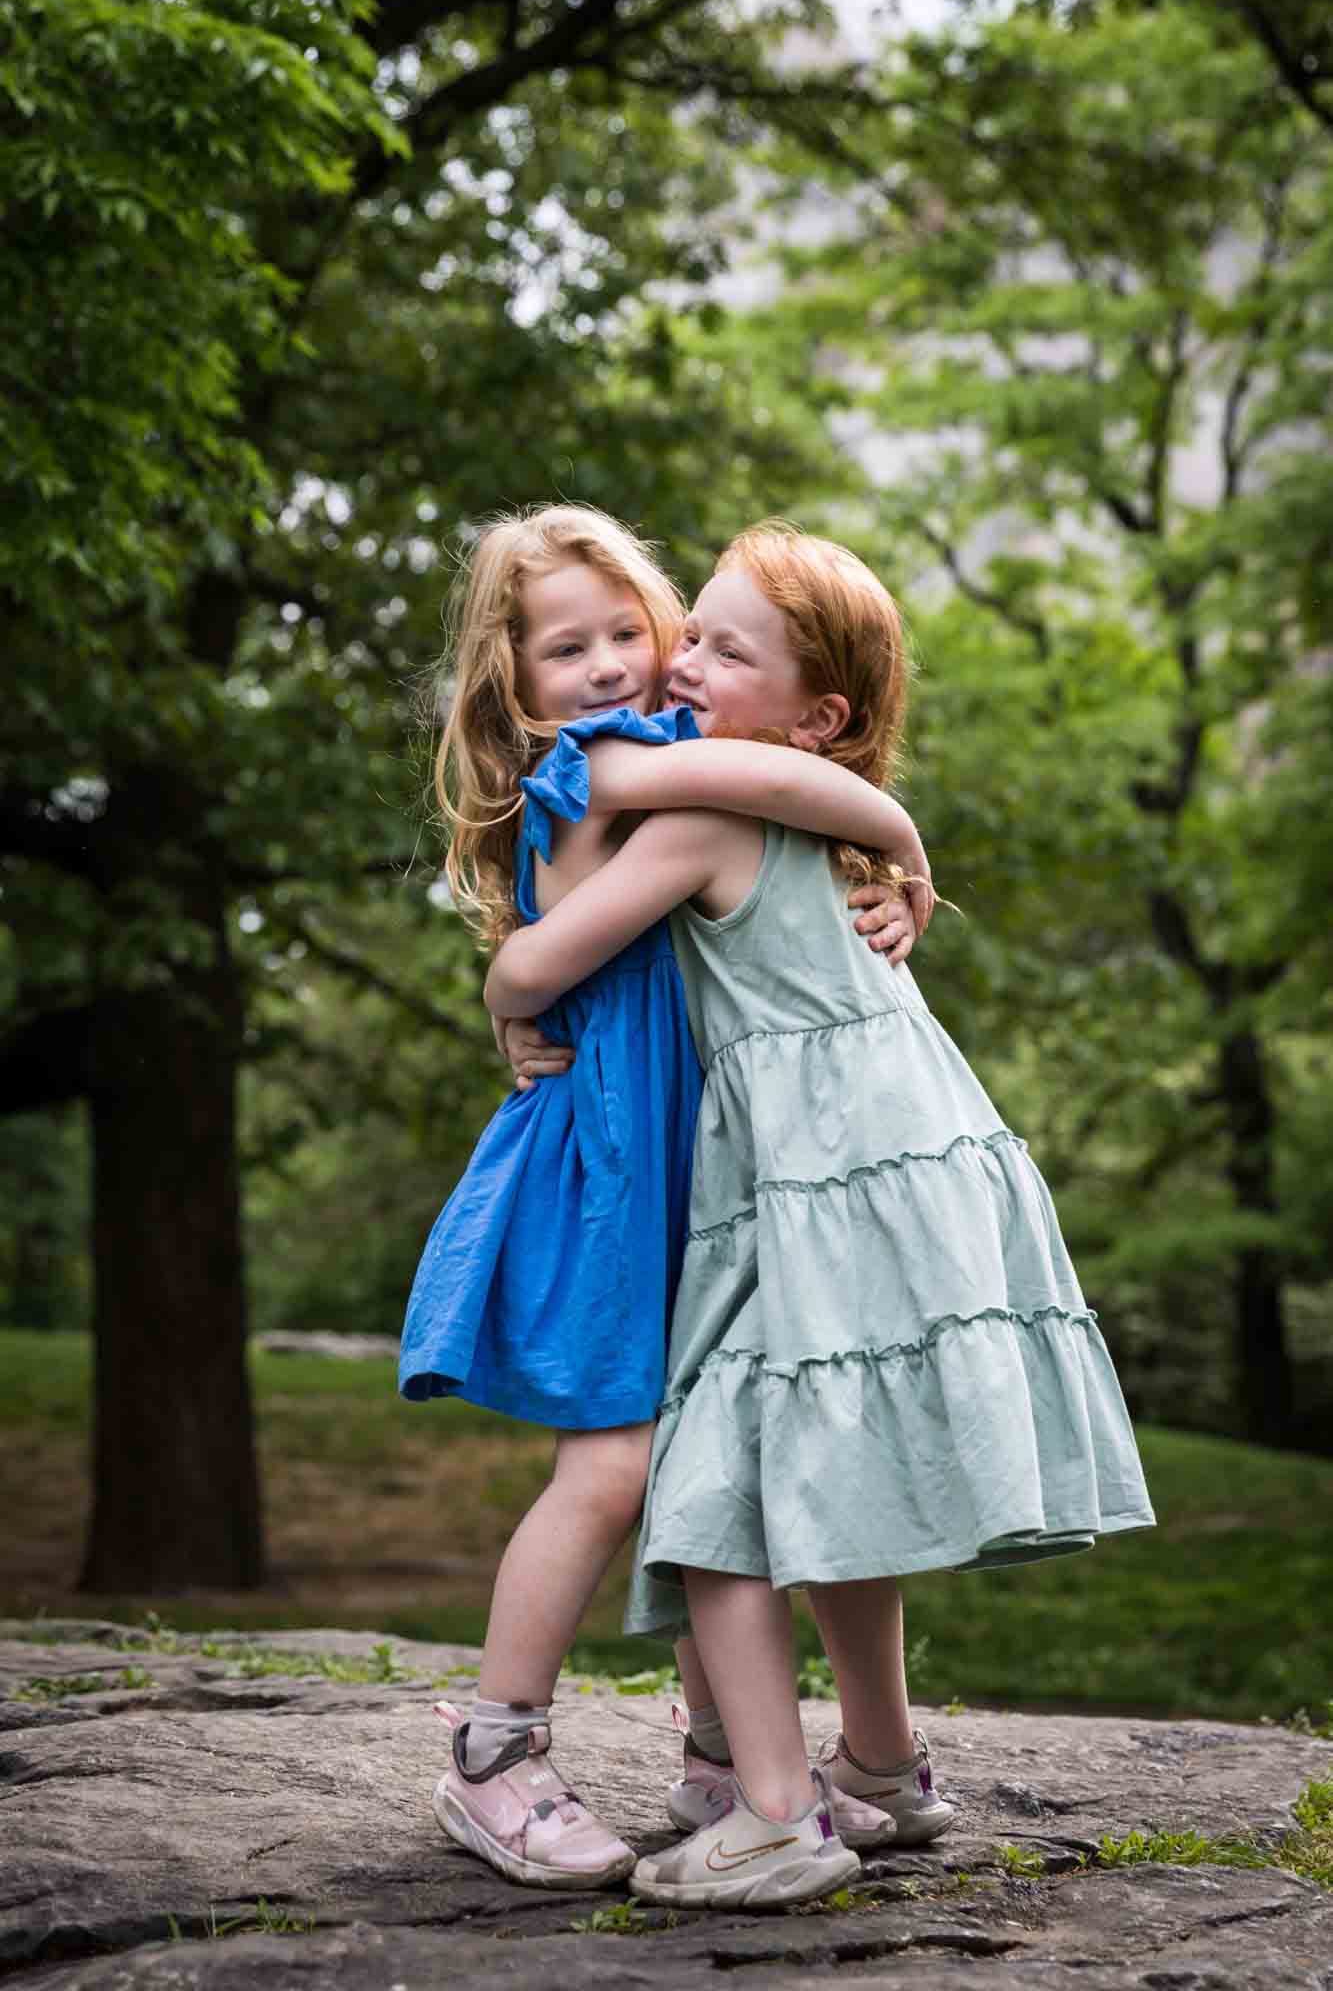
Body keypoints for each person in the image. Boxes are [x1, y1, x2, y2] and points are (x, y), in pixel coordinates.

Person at [485, 521, 1158, 1910]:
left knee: (715, 1487)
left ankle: (776, 1817)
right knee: (830, 1474)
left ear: (816, 711)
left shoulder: (700, 805)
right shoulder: (797, 798)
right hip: (909, 1166)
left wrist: (511, 1001)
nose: (670, 661)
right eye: (691, 632)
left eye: (716, 647)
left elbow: (538, 960)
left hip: (826, 1177)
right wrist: (902, 834)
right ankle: (882, 1768)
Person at [400, 505, 935, 1892]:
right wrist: (897, 829)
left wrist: (875, 878)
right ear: (512, 685)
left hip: (689, 1159)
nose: (602, 665)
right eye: (558, 648)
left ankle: (722, 1764)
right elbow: (800, 793)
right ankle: (493, 1754)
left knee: (715, 1463)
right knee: (619, 1469)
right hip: (611, 1162)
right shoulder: (621, 760)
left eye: (625, 634)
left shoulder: (652, 771)